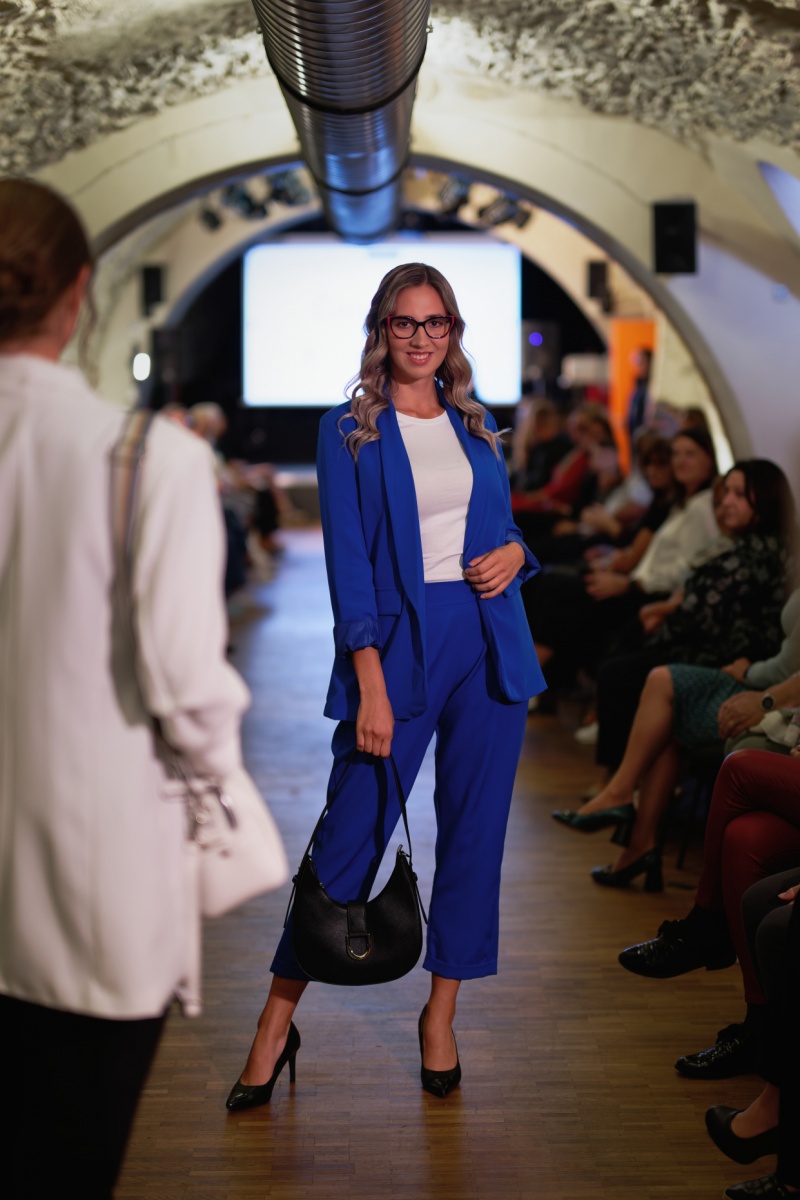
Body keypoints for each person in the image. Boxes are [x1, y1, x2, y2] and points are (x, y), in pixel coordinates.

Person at [226, 262, 545, 1110]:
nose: (421, 337)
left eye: (436, 323)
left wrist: (518, 552)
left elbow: (504, 527)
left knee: (474, 836)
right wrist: (368, 678)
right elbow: (349, 567)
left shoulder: (478, 424)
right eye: (406, 322)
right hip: (399, 649)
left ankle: (440, 1016)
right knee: (349, 835)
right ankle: (273, 1027)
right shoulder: (350, 431)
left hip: (489, 641)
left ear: (453, 332)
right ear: (382, 330)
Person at [0, 179, 251, 1198]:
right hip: (89, 875)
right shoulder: (152, 458)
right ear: (80, 293)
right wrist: (227, 793)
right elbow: (186, 689)